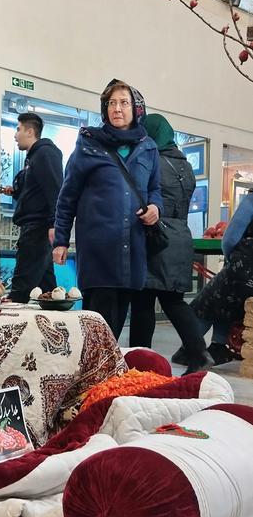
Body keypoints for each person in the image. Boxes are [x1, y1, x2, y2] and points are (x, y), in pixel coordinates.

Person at [52, 79, 163, 339]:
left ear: (136, 109)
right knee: (98, 328)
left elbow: (156, 188)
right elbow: (67, 196)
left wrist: (156, 207)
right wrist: (61, 240)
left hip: (132, 248)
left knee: (117, 323)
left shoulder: (148, 148)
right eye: (111, 103)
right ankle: (97, 377)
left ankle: (110, 377)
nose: (117, 108)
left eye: (124, 103)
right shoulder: (88, 145)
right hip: (98, 250)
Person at [128, 114, 213, 375]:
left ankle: (139, 362)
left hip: (156, 235)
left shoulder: (152, 160)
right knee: (173, 300)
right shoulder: (185, 165)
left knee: (143, 302)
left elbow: (140, 197)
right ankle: (198, 352)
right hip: (180, 235)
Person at [172, 189, 253, 367]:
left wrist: (233, 259)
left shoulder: (252, 199)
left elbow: (230, 238)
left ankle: (191, 349)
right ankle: (219, 346)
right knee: (226, 298)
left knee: (207, 301)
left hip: (246, 267)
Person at [0, 113, 63, 303]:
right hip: (36, 227)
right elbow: (37, 191)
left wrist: (54, 223)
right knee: (49, 292)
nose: (15, 135)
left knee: (20, 289)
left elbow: (54, 189)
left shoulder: (45, 154)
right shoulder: (33, 157)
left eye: (18, 129)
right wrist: (17, 192)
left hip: (38, 228)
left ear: (30, 131)